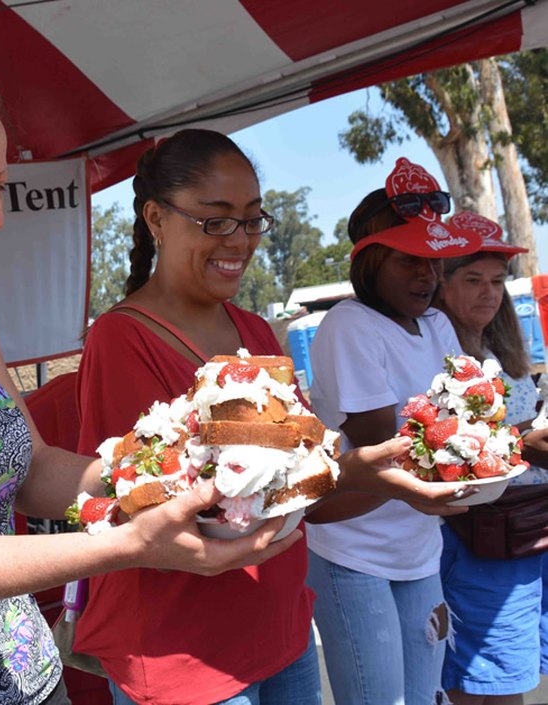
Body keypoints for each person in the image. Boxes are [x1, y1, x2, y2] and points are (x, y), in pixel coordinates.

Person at [0, 66, 306, 705]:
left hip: (27, 673)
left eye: (0, 186)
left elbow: (33, 468)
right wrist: (122, 545)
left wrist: (166, 471)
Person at [71, 138, 473, 705]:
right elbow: (136, 507)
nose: (240, 241)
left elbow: (302, 489)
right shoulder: (121, 339)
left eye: (252, 219)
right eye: (215, 222)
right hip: (184, 655)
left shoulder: (257, 332)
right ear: (157, 218)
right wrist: (353, 475)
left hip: (281, 632)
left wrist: (388, 478)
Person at [305, 157, 485, 705]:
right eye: (409, 259)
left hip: (417, 547)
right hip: (352, 552)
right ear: (370, 261)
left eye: (433, 260)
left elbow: (469, 411)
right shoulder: (349, 324)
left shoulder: (437, 323)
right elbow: (382, 438)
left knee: (428, 694)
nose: (426, 274)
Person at [433, 213, 548, 705]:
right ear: (442, 283)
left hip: (528, 529)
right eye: (473, 279)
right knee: (482, 679)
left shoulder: (500, 347)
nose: (488, 293)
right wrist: (526, 445)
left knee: (513, 674)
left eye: (497, 281)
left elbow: (517, 432)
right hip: (479, 536)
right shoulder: (436, 350)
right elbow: (449, 450)